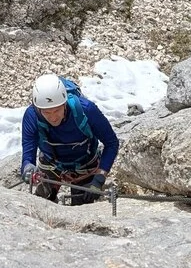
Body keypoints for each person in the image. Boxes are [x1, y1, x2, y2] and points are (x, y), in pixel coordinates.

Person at [20, 73, 119, 205]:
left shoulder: (86, 110)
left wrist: (99, 179)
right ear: (38, 109)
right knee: (40, 203)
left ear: (65, 104)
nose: (53, 117)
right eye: (47, 113)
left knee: (82, 212)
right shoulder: (32, 116)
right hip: (51, 164)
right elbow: (28, 155)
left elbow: (111, 143)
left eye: (57, 110)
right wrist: (28, 169)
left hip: (85, 164)